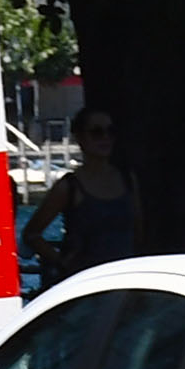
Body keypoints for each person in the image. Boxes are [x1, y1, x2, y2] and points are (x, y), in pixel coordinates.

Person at [18, 107, 139, 283]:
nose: (105, 138)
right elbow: (31, 234)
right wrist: (62, 262)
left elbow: (138, 230)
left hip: (126, 279)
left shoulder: (127, 179)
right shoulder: (69, 186)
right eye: (96, 132)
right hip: (85, 282)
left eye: (110, 131)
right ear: (80, 138)